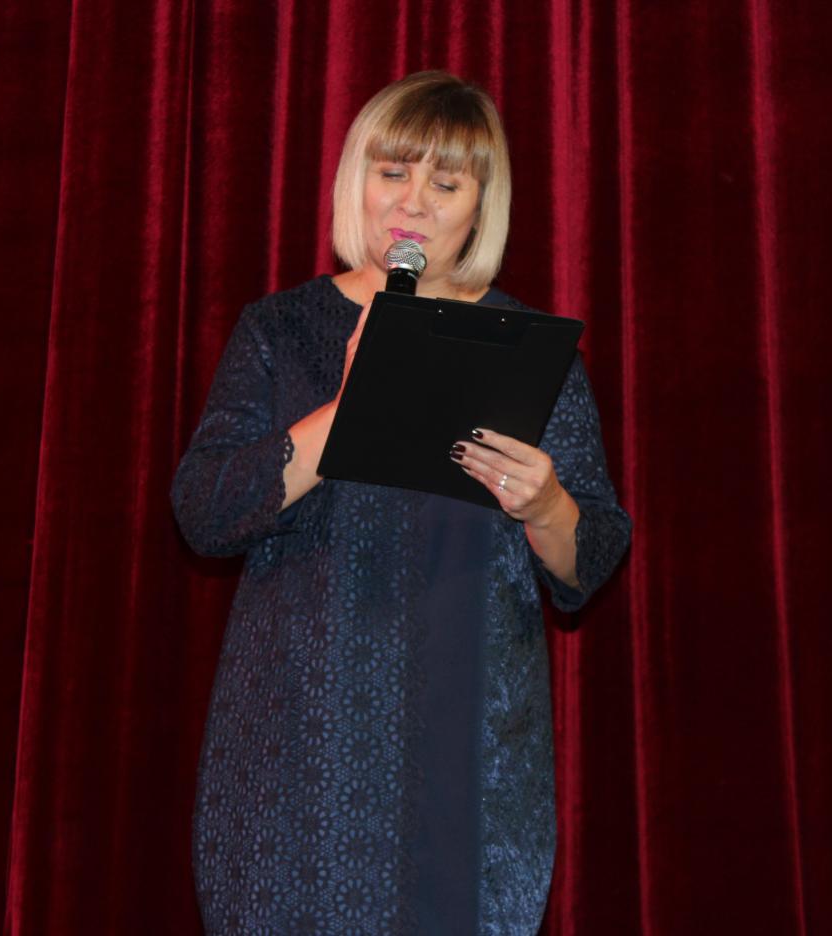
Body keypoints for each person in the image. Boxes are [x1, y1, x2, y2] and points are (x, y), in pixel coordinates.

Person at [172, 70, 631, 935]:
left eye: (445, 184)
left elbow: (589, 561)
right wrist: (346, 408)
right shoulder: (280, 330)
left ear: (480, 206)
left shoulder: (528, 353)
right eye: (393, 172)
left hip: (468, 756)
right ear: (358, 181)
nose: (413, 202)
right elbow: (204, 511)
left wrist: (545, 503)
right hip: (298, 746)